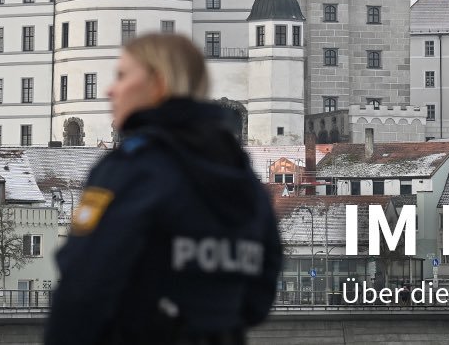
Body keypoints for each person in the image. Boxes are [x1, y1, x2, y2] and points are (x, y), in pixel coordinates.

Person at [45, 34, 283, 345]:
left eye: (122, 76)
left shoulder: (132, 169)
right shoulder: (241, 173)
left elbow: (82, 282)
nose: (110, 90)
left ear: (157, 83)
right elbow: (260, 296)